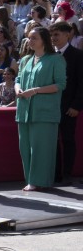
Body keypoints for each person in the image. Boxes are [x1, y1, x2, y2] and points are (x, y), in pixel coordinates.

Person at [15, 26, 66, 192]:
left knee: (41, 148)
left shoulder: (55, 59)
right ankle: (30, 179)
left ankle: (39, 181)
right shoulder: (25, 60)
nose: (30, 41)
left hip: (45, 112)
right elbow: (18, 78)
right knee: (25, 147)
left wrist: (36, 90)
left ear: (44, 40)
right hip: (24, 111)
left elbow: (60, 84)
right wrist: (17, 89)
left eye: (34, 38)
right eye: (29, 38)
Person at [50, 21, 83, 183]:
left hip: (69, 107)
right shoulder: (49, 56)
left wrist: (76, 105)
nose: (53, 38)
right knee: (52, 141)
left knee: (68, 139)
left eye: (57, 34)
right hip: (51, 106)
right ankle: (56, 173)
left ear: (67, 34)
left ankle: (68, 173)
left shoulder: (78, 55)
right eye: (52, 35)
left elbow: (81, 83)